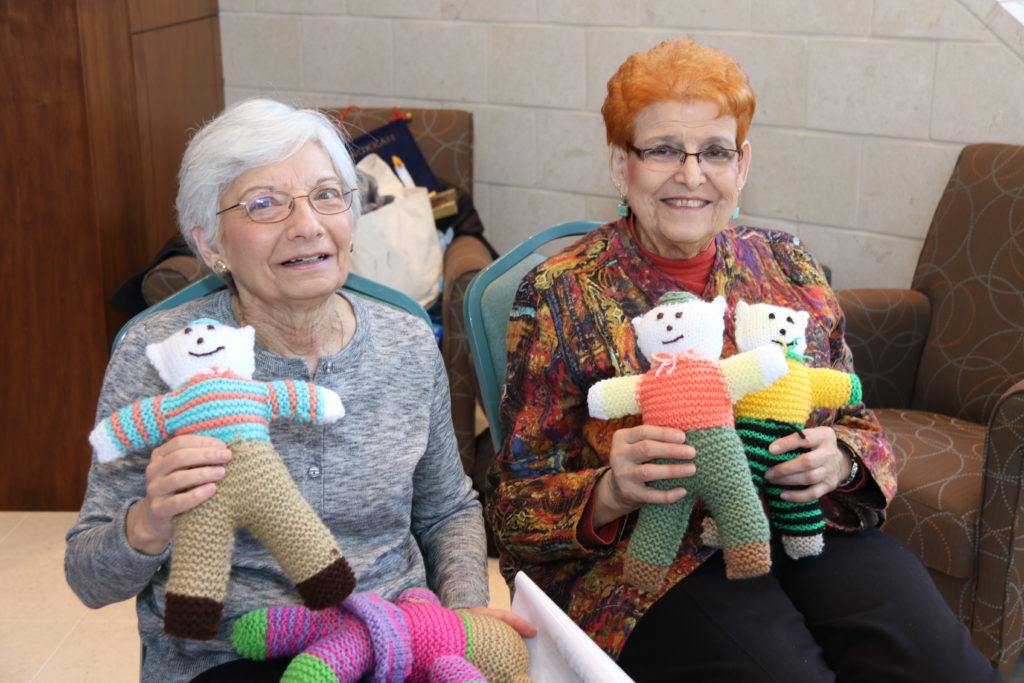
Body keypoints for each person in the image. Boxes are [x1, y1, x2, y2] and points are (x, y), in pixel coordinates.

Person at [485, 38, 1000, 681]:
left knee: (940, 663)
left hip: (799, 529)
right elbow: (511, 507)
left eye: (715, 152)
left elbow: (861, 427)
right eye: (664, 150)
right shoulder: (562, 293)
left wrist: (838, 462)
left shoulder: (787, 265)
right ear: (621, 165)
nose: (692, 175)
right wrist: (608, 491)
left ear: (744, 163)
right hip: (648, 562)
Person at [65, 98, 530, 682]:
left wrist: (461, 620)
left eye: (327, 195)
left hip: (394, 639)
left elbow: (447, 509)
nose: (307, 224)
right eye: (265, 204)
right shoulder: (162, 357)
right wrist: (149, 522)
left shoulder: (406, 342)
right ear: (210, 243)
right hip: (230, 655)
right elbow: (87, 577)